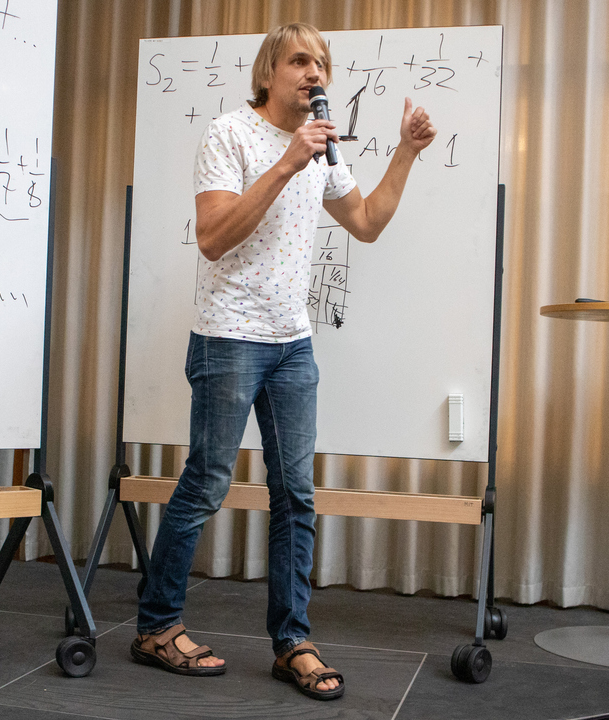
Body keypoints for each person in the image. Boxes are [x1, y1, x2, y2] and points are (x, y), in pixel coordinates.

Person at [131, 22, 436, 701]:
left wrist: (405, 155)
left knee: (296, 493)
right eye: (300, 60)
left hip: (292, 344)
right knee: (207, 483)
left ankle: (291, 639)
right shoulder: (230, 135)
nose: (313, 72)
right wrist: (287, 163)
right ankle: (156, 627)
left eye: (322, 63)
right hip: (229, 337)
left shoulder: (322, 146)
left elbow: (367, 222)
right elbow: (212, 238)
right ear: (270, 71)